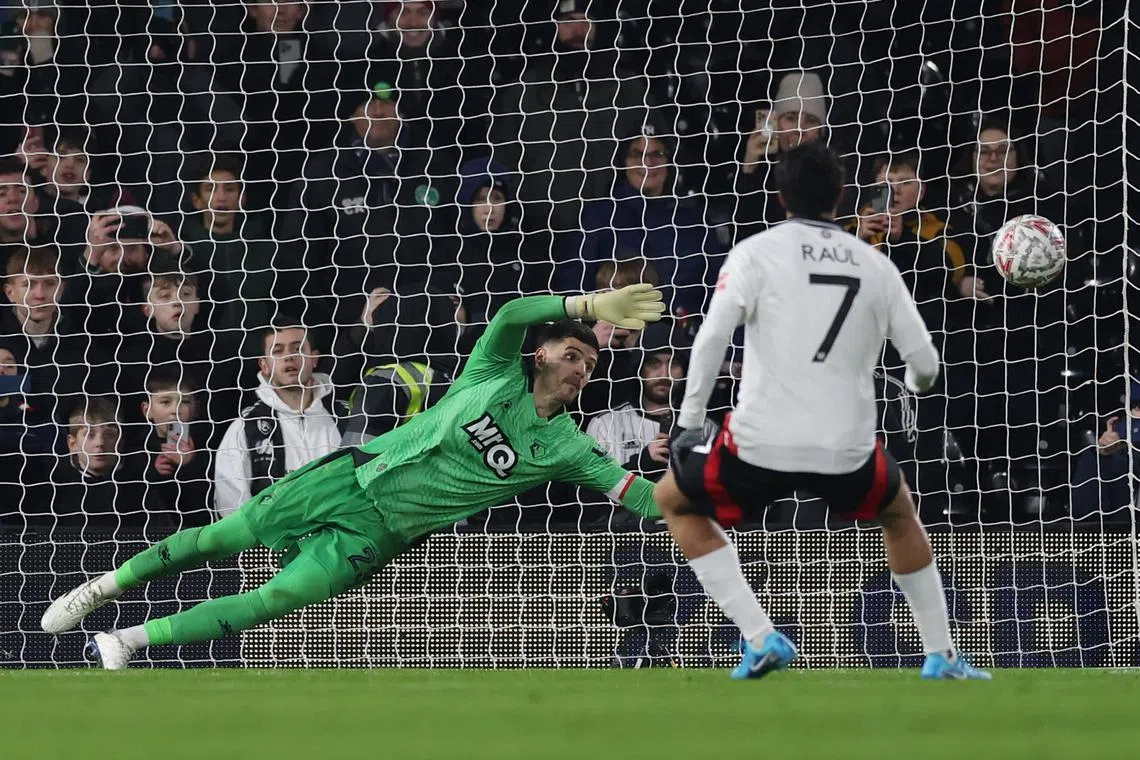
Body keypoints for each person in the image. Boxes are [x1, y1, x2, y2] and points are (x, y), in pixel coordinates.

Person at [43, 286, 667, 670]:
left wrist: (705, 496)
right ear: (543, 354)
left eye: (590, 361)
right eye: (572, 354)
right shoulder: (491, 374)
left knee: (277, 600)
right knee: (220, 539)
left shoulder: (567, 446)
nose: (581, 368)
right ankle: (103, 587)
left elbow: (637, 494)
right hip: (347, 476)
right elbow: (508, 313)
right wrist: (586, 305)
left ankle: (126, 639)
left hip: (385, 530)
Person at [651, 142, 991, 680]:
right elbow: (925, 364)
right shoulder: (875, 264)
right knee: (899, 513)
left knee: (672, 499)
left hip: (760, 442)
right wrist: (911, 382)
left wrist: (690, 421)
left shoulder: (754, 252)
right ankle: (942, 655)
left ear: (781, 196)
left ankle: (761, 637)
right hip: (847, 447)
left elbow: (712, 337)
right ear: (840, 195)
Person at [213, 319, 342, 518]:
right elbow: (232, 510)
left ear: (314, 359)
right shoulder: (245, 428)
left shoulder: (347, 418)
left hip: (341, 543)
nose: (289, 357)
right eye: (277, 351)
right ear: (264, 365)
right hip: (272, 547)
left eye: (297, 349)